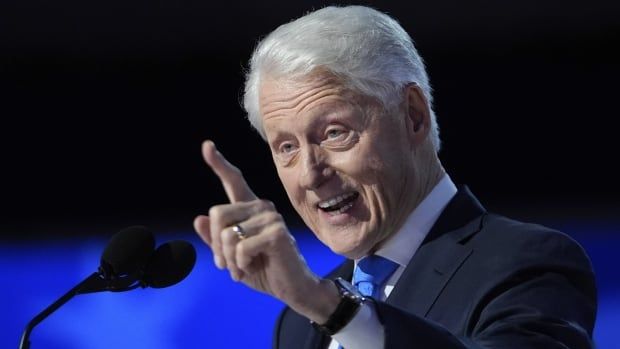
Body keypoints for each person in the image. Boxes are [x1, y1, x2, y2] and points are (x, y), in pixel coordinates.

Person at [193, 5, 597, 348]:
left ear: (413, 115)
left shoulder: (529, 263)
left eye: (335, 133)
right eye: (287, 148)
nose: (311, 174)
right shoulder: (297, 325)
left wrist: (335, 311)